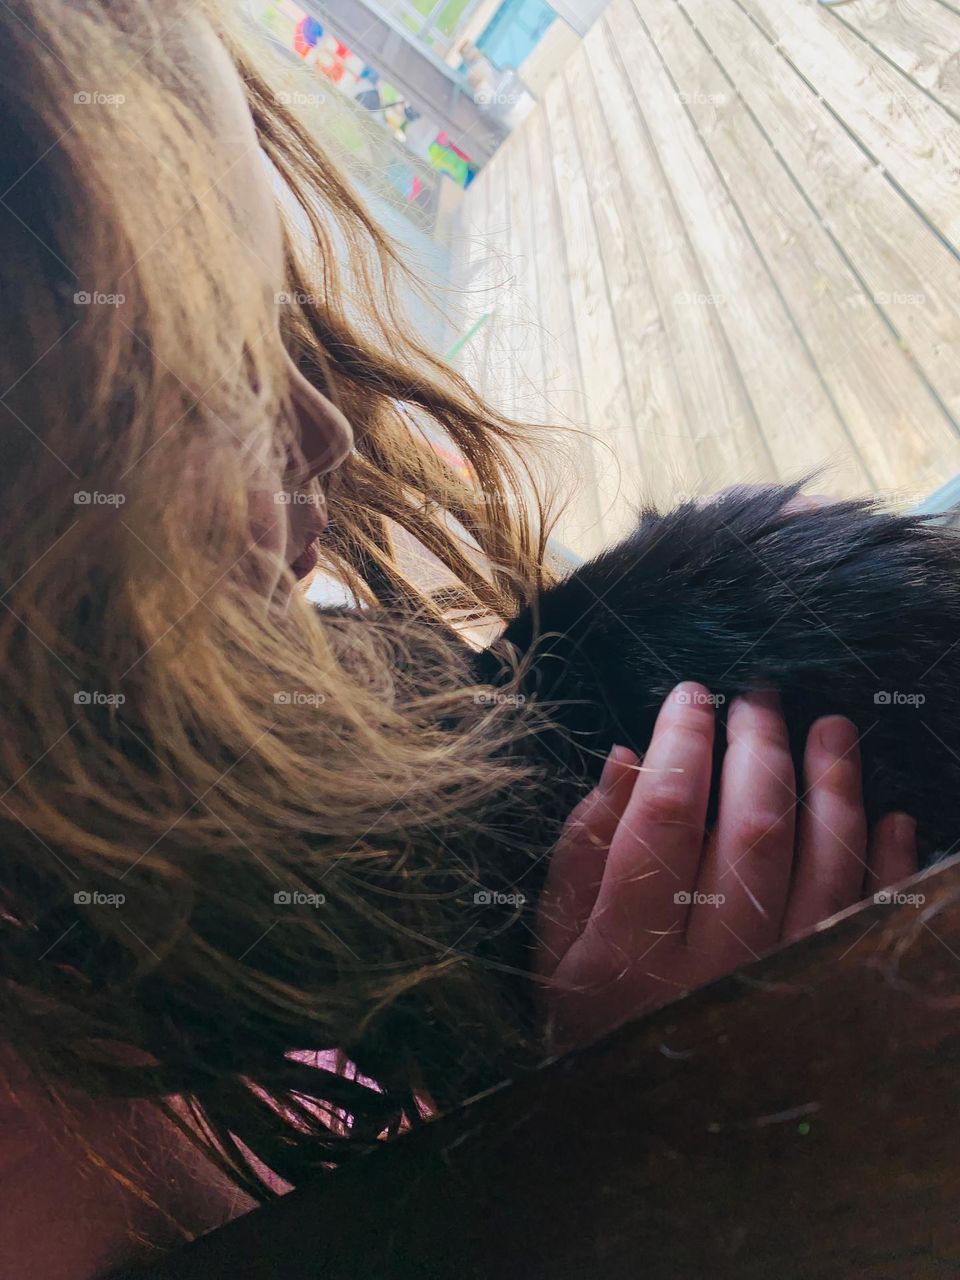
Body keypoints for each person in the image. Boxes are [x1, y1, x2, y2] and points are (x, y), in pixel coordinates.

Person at [0, 3, 917, 1276]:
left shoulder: (241, 746)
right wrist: (623, 1156)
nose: (323, 429)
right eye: (217, 378)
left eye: (287, 329)